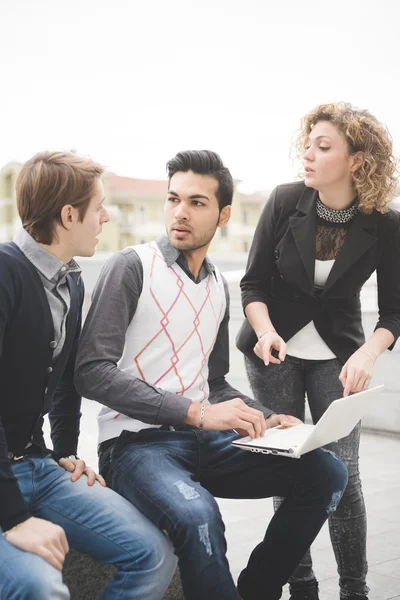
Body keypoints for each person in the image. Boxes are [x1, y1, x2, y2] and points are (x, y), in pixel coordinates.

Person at [75, 149, 348, 600]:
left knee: (326, 471)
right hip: (135, 446)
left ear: (223, 215)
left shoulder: (218, 286)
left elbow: (213, 380)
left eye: (197, 203)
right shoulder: (131, 267)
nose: (180, 212)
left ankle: (256, 590)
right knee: (199, 515)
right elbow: (92, 373)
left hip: (205, 442)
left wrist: (266, 416)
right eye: (173, 199)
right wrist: (196, 413)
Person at [236, 103, 400, 600]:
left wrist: (369, 354)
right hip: (273, 351)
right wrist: (264, 331)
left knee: (343, 474)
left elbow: (393, 312)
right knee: (290, 466)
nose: (307, 154)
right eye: (307, 144)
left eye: (322, 147)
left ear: (357, 160)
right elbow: (252, 285)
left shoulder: (386, 223)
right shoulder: (286, 200)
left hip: (341, 353)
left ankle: (356, 590)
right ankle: (301, 585)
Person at [0, 151, 177, 600]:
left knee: (154, 553)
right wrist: (15, 518)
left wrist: (63, 451)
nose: (105, 217)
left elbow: (63, 384)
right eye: (99, 207)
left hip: (38, 466)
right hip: (4, 478)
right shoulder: (4, 273)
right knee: (39, 585)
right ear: (68, 215)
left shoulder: (71, 281)